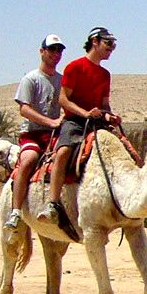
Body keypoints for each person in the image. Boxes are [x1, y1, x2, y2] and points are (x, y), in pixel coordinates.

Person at [43, 26, 122, 233]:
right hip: (75, 122)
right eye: (108, 44)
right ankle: (52, 203)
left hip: (97, 122)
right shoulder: (74, 67)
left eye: (113, 44)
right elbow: (63, 100)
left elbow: (105, 103)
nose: (111, 49)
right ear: (94, 42)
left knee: (124, 150)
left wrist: (110, 116)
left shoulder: (105, 74)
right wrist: (85, 113)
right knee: (63, 153)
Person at [5, 35, 66, 232]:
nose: (56, 54)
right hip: (33, 133)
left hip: (55, 133)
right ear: (42, 52)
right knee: (29, 159)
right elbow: (24, 109)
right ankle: (15, 211)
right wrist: (50, 121)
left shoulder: (62, 80)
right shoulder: (30, 79)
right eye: (52, 49)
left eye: (59, 50)